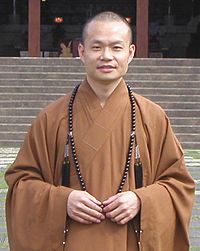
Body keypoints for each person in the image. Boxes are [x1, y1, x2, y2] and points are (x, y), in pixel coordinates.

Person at [5, 11, 195, 251]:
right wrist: (63, 200)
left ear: (131, 53)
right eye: (97, 47)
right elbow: (20, 183)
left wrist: (141, 200)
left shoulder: (153, 117)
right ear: (81, 52)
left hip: (130, 239)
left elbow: (179, 184)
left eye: (116, 48)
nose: (107, 56)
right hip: (72, 241)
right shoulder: (51, 118)